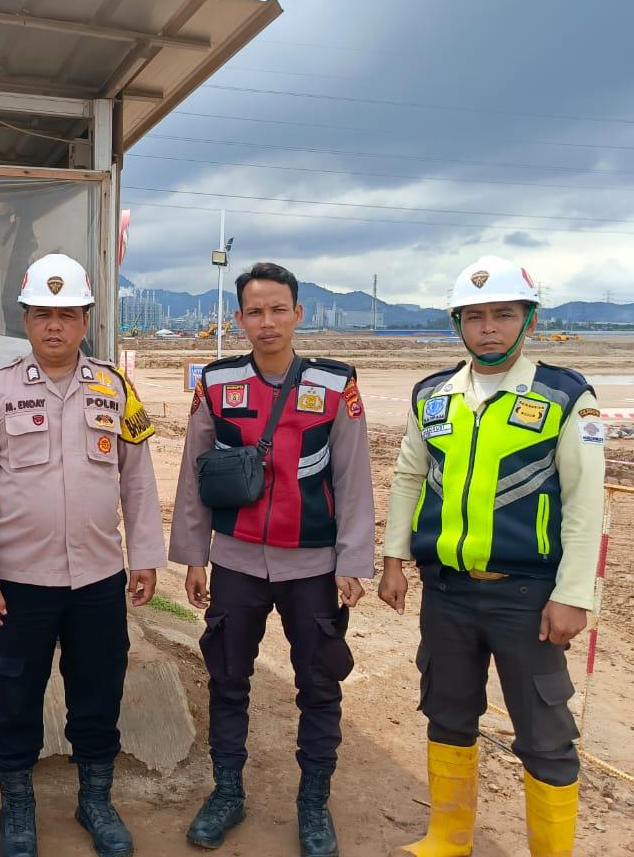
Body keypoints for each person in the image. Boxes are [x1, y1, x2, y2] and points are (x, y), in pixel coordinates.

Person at [378, 255, 604, 857]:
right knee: (448, 715)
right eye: (474, 316)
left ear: (529, 319)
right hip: (447, 592)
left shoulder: (565, 396)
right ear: (457, 324)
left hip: (528, 599)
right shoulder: (433, 395)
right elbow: (408, 477)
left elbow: (585, 503)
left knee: (545, 735)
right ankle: (448, 837)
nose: (488, 329)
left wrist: (573, 594)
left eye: (503, 314)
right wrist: (394, 560)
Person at [0, 253, 167, 857]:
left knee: (99, 689)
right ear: (25, 319)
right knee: (15, 691)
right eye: (43, 314)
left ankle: (95, 797)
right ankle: (17, 803)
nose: (54, 325)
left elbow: (138, 480)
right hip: (20, 580)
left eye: (67, 314)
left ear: (85, 320)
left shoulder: (115, 388)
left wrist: (145, 556)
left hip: (98, 576)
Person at [170, 261, 376, 857]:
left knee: (320, 684)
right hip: (236, 562)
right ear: (239, 318)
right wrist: (194, 555)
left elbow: (354, 478)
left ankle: (313, 804)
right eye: (255, 311)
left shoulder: (335, 385)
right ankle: (227, 793)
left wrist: (351, 561)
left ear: (298, 314)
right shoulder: (217, 383)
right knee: (227, 678)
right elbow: (193, 473)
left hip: (311, 566)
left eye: (278, 310)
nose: (267, 322)